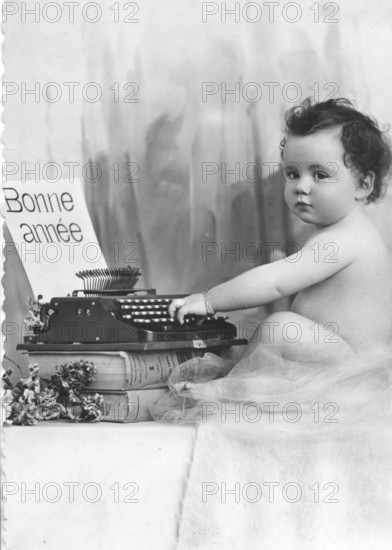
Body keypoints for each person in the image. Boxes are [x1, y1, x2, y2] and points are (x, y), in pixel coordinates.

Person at [168, 97, 392, 402]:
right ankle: (240, 386)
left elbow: (274, 281)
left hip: (352, 374)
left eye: (320, 175)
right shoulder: (344, 232)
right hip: (337, 366)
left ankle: (229, 389)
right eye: (292, 173)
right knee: (268, 342)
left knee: (280, 327)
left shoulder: (346, 238)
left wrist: (210, 300)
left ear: (364, 184)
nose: (301, 186)